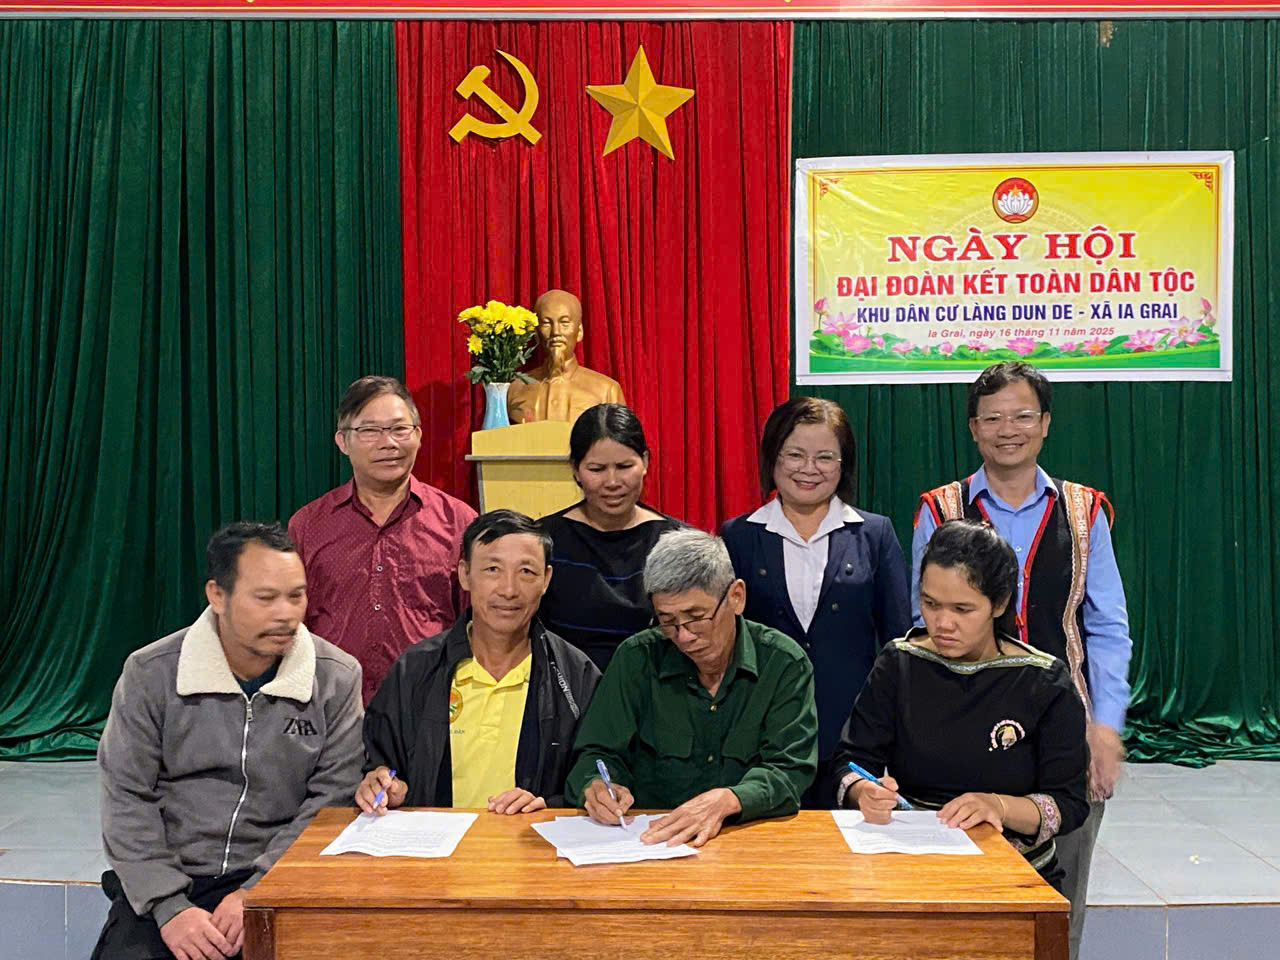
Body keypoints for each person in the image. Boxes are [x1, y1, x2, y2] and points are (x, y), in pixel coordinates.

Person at [911, 361, 1131, 957]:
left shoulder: (1085, 511)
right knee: (960, 912)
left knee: (1057, 911)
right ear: (973, 428)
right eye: (993, 418)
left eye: (1022, 416)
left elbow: (1107, 627)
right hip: (962, 733)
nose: (1008, 430)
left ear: (1046, 423)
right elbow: (922, 629)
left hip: (1065, 734)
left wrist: (1105, 726)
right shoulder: (941, 508)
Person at [94, 522, 363, 960]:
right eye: (266, 598)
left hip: (275, 878)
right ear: (217, 595)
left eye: (296, 596)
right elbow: (126, 797)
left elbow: (330, 802)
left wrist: (259, 890)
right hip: (169, 882)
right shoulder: (151, 672)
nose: (286, 614)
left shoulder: (336, 676)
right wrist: (169, 906)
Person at [833, 519, 1089, 894]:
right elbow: (852, 760)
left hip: (1014, 876)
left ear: (999, 604)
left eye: (962, 609)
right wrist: (863, 792)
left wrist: (998, 807)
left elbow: (1069, 803)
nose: (943, 623)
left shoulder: (1043, 680)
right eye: (930, 604)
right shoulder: (900, 662)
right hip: (912, 865)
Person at [565, 528, 818, 847]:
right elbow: (597, 753)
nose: (683, 636)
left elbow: (790, 770)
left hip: (747, 841)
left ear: (736, 596)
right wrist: (595, 786)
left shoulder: (782, 663)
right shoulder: (637, 659)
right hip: (650, 842)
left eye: (696, 617)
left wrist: (729, 800)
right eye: (668, 621)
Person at [721, 397, 911, 793]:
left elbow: (899, 642)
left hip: (854, 736)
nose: (809, 469)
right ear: (773, 457)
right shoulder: (738, 536)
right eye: (795, 455)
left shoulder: (874, 534)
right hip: (762, 736)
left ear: (843, 465)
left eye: (825, 457)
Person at [357, 510, 601, 815]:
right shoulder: (416, 669)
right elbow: (384, 766)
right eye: (492, 569)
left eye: (526, 571)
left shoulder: (575, 675)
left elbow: (591, 779)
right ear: (464, 574)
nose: (509, 590)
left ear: (546, 580)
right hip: (434, 842)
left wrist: (550, 806)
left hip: (531, 841)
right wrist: (385, 786)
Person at [289, 375, 477, 703]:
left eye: (399, 429)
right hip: (330, 705)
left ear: (418, 436)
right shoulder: (308, 525)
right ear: (342, 441)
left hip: (430, 703)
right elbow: (291, 620)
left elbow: (477, 622)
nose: (388, 443)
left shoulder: (459, 522)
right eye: (370, 430)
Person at [538, 403, 682, 672]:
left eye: (624, 466)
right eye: (597, 469)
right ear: (575, 469)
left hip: (654, 688)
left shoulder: (678, 543)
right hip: (566, 688)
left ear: (645, 462)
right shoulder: (542, 541)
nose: (612, 482)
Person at [506, 289, 624, 424]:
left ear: (579, 331)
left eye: (564, 322)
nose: (556, 332)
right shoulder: (515, 389)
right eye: (547, 323)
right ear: (536, 334)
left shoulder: (607, 391)